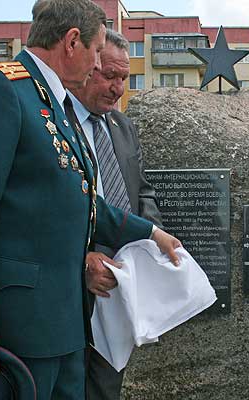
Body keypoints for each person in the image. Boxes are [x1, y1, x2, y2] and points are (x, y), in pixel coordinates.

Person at [0, 1, 180, 399]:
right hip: (12, 333)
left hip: (64, 327)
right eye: (97, 52)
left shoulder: (55, 105)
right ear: (72, 42)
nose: (98, 65)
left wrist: (150, 232)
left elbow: (76, 202)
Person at [68, 29, 162, 400]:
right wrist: (81, 260)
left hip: (122, 286)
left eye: (124, 78)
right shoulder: (56, 124)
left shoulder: (123, 126)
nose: (118, 88)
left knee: (108, 388)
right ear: (88, 65)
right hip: (75, 287)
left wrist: (151, 240)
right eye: (110, 75)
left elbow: (143, 189)